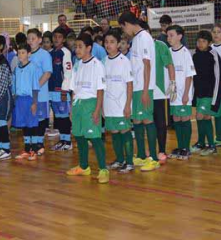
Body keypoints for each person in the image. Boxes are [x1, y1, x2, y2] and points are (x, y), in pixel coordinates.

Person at [66, 33, 109, 184]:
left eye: (80, 47)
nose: (77, 50)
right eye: (76, 46)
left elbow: (100, 90)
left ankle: (103, 169)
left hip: (91, 103)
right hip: (78, 103)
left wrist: (97, 110)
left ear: (89, 48)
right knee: (79, 135)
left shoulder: (97, 65)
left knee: (95, 137)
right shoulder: (77, 64)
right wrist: (72, 107)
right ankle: (84, 166)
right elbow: (73, 88)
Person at [119, 12, 159, 171]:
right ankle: (142, 156)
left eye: (124, 28)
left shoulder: (144, 38)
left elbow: (147, 65)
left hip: (144, 87)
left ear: (127, 24)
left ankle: (154, 158)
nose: (125, 32)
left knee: (147, 120)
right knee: (137, 120)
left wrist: (144, 90)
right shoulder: (136, 39)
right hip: (136, 87)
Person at [103, 28, 134, 172]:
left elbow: (129, 84)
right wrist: (102, 106)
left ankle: (129, 162)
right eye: (106, 42)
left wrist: (128, 105)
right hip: (108, 105)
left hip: (122, 105)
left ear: (118, 44)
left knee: (124, 132)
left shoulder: (124, 61)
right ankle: (119, 159)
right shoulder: (103, 62)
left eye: (112, 42)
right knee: (114, 132)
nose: (108, 45)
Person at [192, 30, 221, 155]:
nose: (200, 44)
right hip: (199, 93)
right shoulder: (195, 55)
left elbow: (218, 76)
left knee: (200, 116)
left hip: (209, 93)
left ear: (209, 43)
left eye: (203, 41)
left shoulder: (213, 55)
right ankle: (202, 143)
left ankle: (210, 145)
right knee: (205, 117)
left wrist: (216, 97)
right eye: (199, 41)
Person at [166, 25, 195, 160]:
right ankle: (180, 146)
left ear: (179, 36)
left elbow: (189, 75)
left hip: (184, 92)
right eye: (167, 36)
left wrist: (186, 94)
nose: (169, 38)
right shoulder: (168, 52)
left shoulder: (185, 53)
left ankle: (186, 147)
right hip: (173, 92)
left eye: (171, 35)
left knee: (184, 118)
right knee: (176, 118)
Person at [11, 44, 41, 160]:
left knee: (32, 125)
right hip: (19, 100)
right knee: (24, 125)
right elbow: (14, 85)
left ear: (29, 54)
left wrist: (34, 102)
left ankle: (34, 149)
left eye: (23, 53)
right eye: (19, 53)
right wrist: (14, 98)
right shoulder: (17, 68)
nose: (20, 55)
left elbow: (35, 86)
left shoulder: (33, 68)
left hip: (29, 99)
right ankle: (27, 149)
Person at [151, 22, 175, 163]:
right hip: (144, 92)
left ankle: (161, 150)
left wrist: (172, 84)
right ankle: (152, 151)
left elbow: (169, 65)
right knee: (149, 123)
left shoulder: (160, 46)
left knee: (160, 123)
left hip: (159, 92)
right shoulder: (137, 46)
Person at [27, 28, 53, 155]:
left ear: (39, 40)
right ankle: (30, 144)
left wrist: (36, 87)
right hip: (27, 95)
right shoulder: (25, 54)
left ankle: (40, 144)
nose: (30, 41)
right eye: (28, 39)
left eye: (33, 38)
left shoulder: (44, 54)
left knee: (40, 119)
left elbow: (47, 73)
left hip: (40, 94)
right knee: (30, 119)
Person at [49, 27, 73, 151]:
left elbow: (68, 73)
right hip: (51, 90)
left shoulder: (65, 52)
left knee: (64, 117)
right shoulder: (51, 52)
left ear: (63, 39)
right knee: (58, 117)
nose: (56, 39)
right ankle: (62, 140)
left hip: (61, 91)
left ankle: (68, 141)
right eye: (54, 37)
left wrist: (64, 90)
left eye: (59, 37)